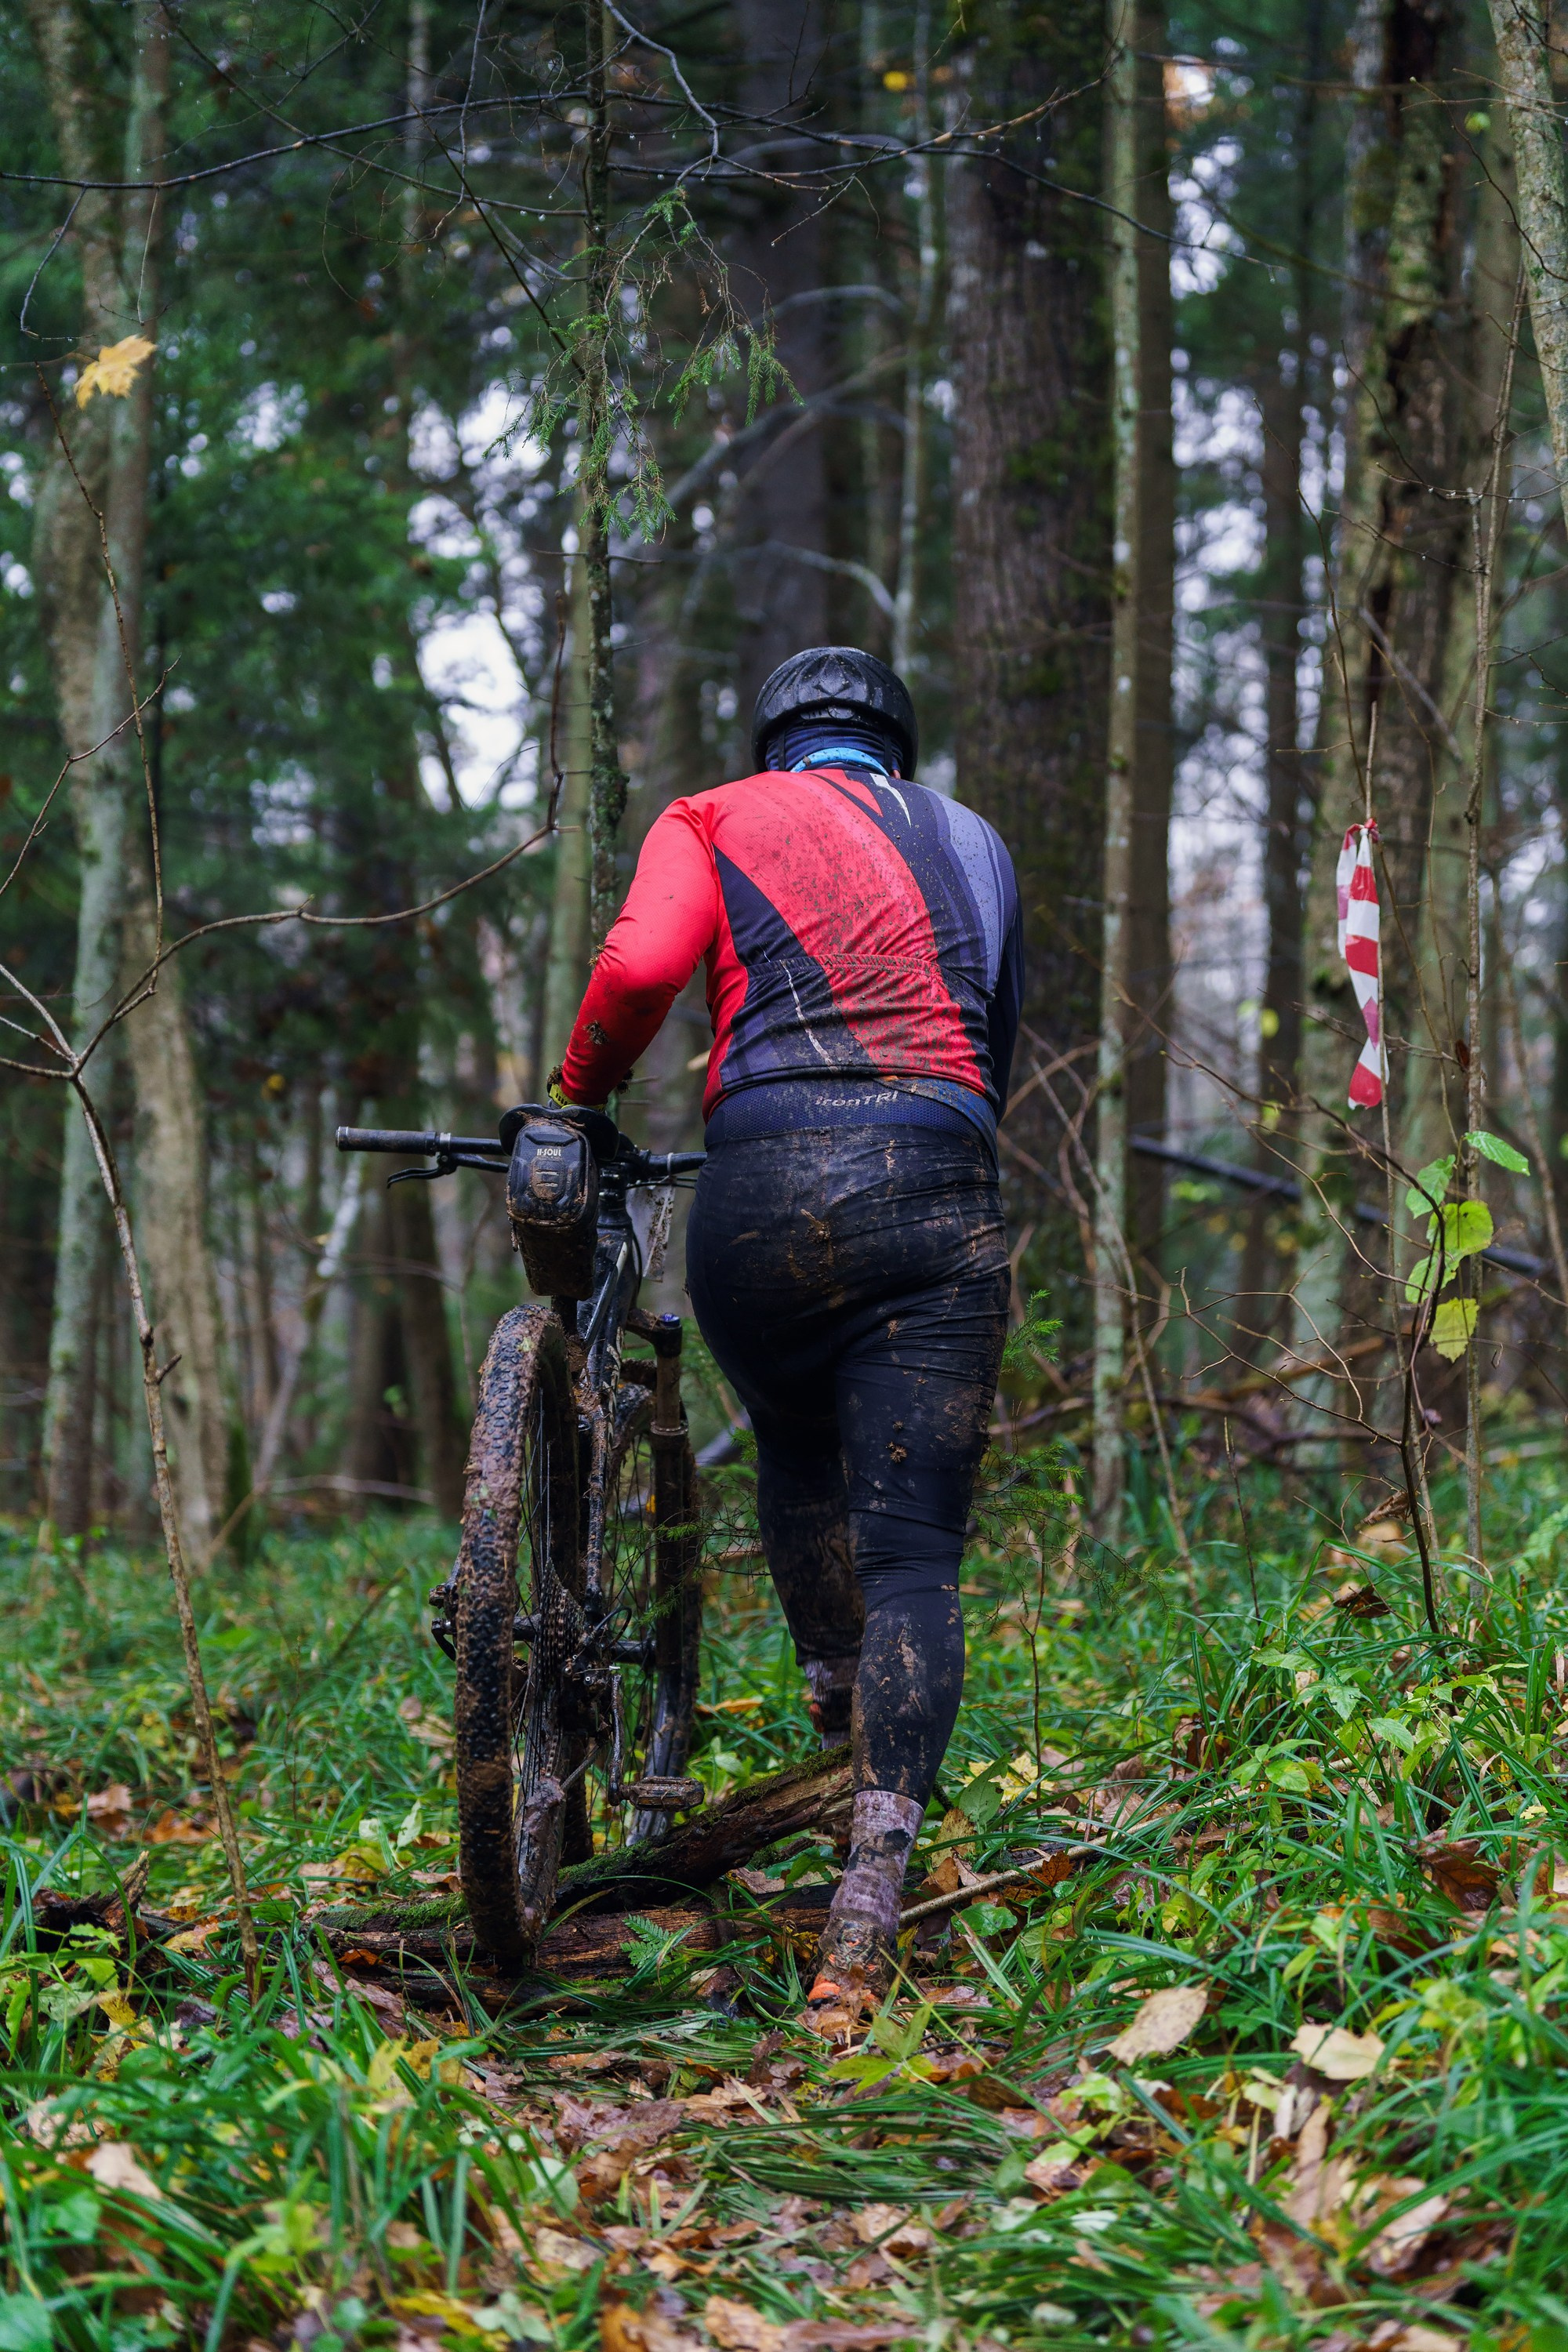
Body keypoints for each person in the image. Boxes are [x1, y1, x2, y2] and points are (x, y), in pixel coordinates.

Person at [553, 646, 1022, 2027]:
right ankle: (874, 1888)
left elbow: (641, 962)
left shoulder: (716, 814)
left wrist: (583, 1093)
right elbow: (994, 1033)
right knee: (918, 1551)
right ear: (897, 742)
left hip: (760, 1188)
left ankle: (833, 1710)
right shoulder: (978, 844)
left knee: (796, 1453)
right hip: (939, 1178)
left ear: (777, 744)